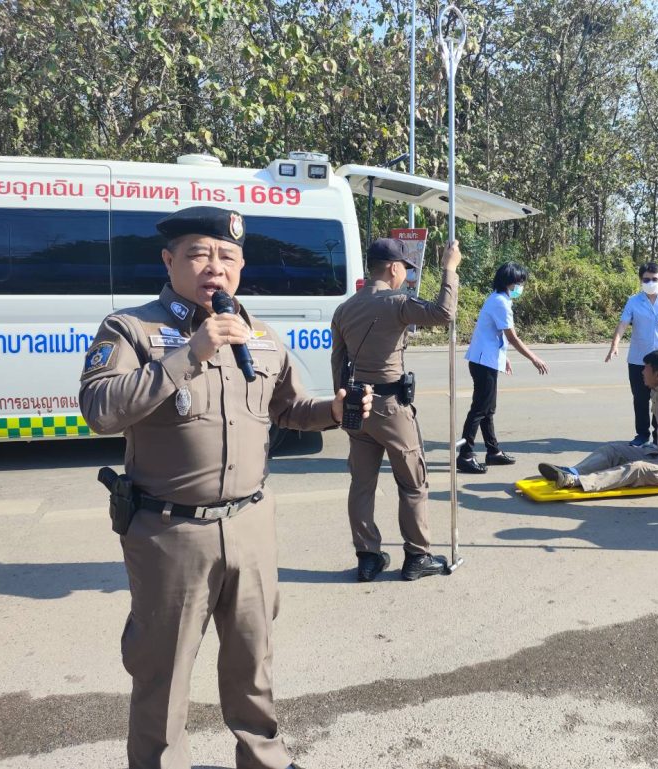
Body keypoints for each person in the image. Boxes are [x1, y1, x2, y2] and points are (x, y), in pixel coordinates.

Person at [79, 206, 370, 769]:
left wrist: (334, 410)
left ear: (240, 267)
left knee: (252, 659)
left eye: (228, 257)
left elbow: (289, 408)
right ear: (169, 261)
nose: (215, 266)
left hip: (251, 525)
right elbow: (100, 409)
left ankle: (263, 757)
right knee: (163, 668)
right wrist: (191, 352)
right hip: (170, 531)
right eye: (199, 254)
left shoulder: (259, 335)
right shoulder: (131, 329)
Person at [331, 237, 461, 582]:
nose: (406, 275)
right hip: (390, 409)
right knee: (413, 482)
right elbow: (444, 313)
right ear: (392, 268)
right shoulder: (398, 302)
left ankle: (367, 557)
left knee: (362, 485)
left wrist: (342, 405)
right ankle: (417, 556)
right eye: (405, 268)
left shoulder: (345, 309)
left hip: (356, 407)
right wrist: (449, 269)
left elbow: (338, 361)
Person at [537, 349, 658, 491]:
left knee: (637, 469)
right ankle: (573, 472)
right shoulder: (657, 391)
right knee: (612, 450)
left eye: (646, 368)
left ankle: (575, 481)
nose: (642, 372)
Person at [457, 262, 550, 474]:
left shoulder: (499, 299)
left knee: (487, 410)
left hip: (486, 360)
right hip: (483, 362)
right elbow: (512, 337)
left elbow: (494, 334)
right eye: (519, 282)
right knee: (479, 410)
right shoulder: (500, 302)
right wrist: (534, 358)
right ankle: (465, 455)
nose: (521, 287)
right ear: (509, 282)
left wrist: (503, 357)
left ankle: (493, 451)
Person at [605, 262, 658, 446]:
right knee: (640, 399)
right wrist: (614, 345)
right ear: (640, 280)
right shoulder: (633, 301)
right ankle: (642, 435)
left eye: (654, 279)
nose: (651, 282)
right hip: (638, 360)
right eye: (646, 279)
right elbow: (623, 324)